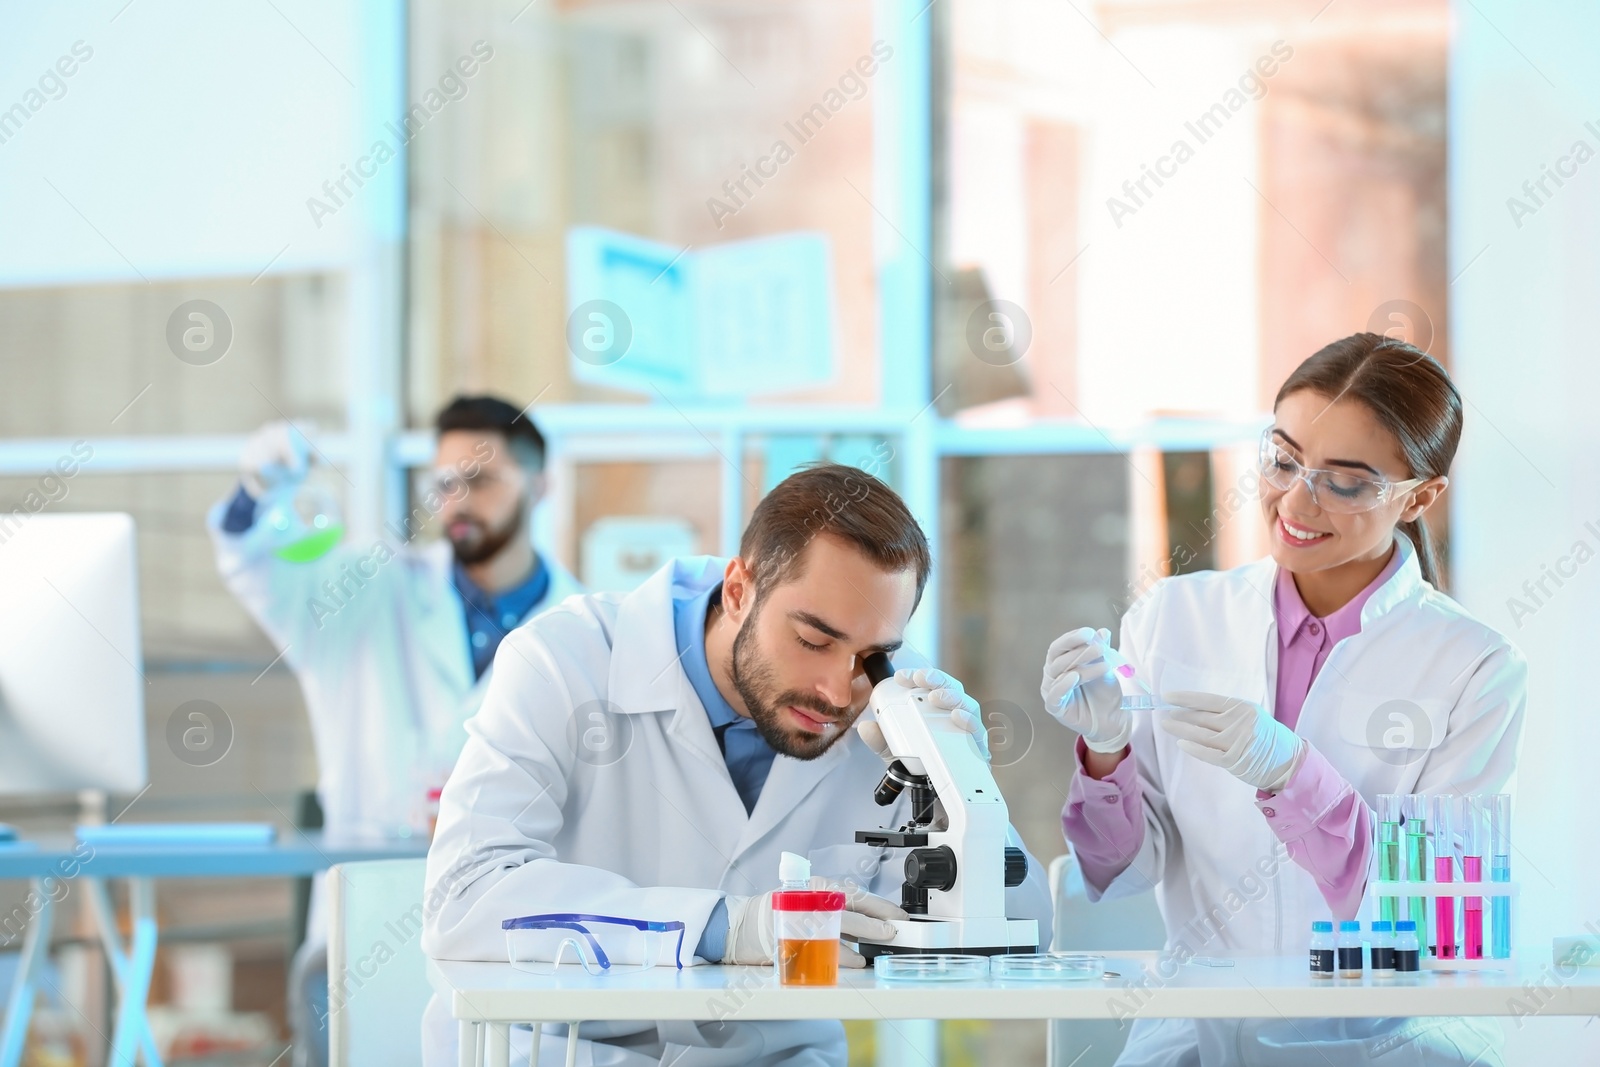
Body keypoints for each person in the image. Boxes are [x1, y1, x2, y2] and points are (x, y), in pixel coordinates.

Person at [421, 463, 1053, 1066]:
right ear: (738, 590)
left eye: (870, 657)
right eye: (812, 640)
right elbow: (464, 894)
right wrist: (725, 926)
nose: (837, 692)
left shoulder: (891, 714)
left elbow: (1023, 928)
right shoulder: (562, 661)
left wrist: (957, 784)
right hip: (563, 1051)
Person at [1045, 334, 1525, 1066]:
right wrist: (1105, 753)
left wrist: (1294, 772)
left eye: (1347, 481)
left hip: (1385, 1039)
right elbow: (1121, 872)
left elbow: (1441, 923)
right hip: (1198, 1033)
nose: (1297, 500)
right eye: (1283, 459)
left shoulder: (1475, 665)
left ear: (1420, 496)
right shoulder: (1173, 619)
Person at [209, 395, 582, 1067]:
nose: (459, 500)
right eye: (445, 482)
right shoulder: (368, 590)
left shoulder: (584, 623)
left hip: (513, 939)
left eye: (483, 479)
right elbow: (254, 564)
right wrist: (255, 492)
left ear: (541, 484)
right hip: (364, 929)